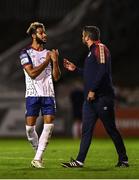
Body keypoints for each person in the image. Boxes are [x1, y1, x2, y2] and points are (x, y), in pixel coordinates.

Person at [61, 26, 129, 168]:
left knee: (111, 129)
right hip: (90, 100)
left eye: (83, 35)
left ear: (87, 37)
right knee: (86, 130)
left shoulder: (100, 48)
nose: (82, 37)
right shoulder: (91, 52)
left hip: (102, 97)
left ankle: (123, 160)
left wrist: (92, 90)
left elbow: (103, 70)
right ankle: (79, 161)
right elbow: (91, 73)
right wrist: (76, 69)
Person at [19, 22, 61, 168]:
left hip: (48, 94)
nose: (44, 35)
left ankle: (37, 159)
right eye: (41, 33)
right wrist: (48, 60)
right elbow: (31, 73)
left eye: (44, 32)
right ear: (33, 35)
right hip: (32, 95)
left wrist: (55, 62)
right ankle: (39, 154)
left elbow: (56, 78)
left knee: (49, 125)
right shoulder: (25, 53)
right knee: (30, 129)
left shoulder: (49, 53)